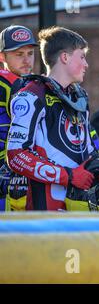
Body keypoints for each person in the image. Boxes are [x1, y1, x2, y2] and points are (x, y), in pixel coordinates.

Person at [6, 26, 99, 211]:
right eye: (82, 56)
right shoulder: (30, 96)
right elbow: (16, 154)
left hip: (78, 201)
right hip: (42, 207)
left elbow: (87, 149)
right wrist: (68, 176)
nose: (86, 64)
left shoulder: (79, 97)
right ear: (64, 57)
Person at [0, 25, 38, 211]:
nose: (26, 60)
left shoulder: (35, 85)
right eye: (18, 54)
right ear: (2, 57)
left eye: (30, 53)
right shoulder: (7, 83)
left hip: (26, 178)